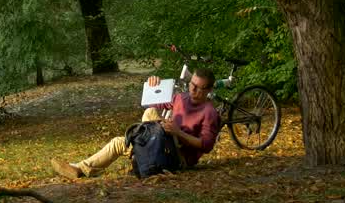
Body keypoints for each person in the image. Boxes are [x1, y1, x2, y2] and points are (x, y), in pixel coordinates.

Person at [50, 68, 220, 179]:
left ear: (209, 90)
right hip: (161, 143)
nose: (194, 90)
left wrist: (178, 133)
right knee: (124, 137)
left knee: (147, 117)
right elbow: (152, 102)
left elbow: (206, 145)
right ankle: (79, 169)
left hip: (178, 157)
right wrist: (153, 85)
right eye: (192, 85)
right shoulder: (181, 98)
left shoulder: (209, 112)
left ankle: (141, 153)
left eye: (200, 88)